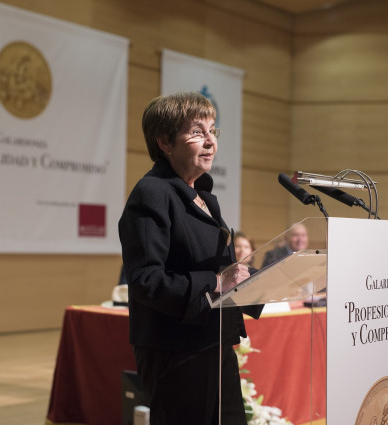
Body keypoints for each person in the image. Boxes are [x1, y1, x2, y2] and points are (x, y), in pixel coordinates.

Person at [118, 92, 262, 424]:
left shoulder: (205, 197)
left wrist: (254, 280)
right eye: (198, 132)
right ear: (165, 142)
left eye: (213, 130)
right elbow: (146, 281)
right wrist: (215, 281)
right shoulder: (152, 193)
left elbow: (219, 269)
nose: (211, 141)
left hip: (214, 340)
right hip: (176, 350)